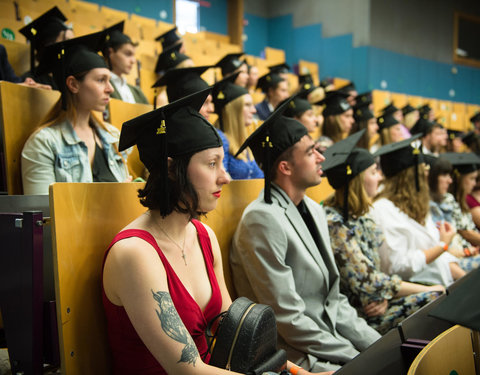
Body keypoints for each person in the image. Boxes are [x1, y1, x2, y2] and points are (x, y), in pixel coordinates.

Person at [102, 89, 331, 375]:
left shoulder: (202, 236)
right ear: (172, 169)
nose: (226, 176)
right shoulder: (134, 254)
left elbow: (233, 330)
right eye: (212, 164)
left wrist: (298, 372)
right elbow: (188, 370)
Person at [230, 99, 381, 373]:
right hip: (291, 354)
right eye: (311, 152)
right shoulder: (262, 219)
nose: (322, 157)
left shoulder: (313, 207)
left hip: (326, 341)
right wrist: (356, 357)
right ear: (285, 167)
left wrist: (378, 345)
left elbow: (333, 301)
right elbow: (287, 320)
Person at [323, 132, 444, 335]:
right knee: (436, 297)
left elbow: (379, 275)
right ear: (358, 180)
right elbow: (369, 282)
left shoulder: (362, 215)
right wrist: (426, 290)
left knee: (439, 291)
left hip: (379, 301)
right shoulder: (335, 223)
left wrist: (385, 296)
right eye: (373, 172)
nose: (380, 177)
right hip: (358, 314)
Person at [21, 31, 130, 195]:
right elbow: (44, 214)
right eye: (101, 80)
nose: (110, 89)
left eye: (109, 80)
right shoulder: (43, 143)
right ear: (73, 84)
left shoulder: (113, 136)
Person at [370, 136, 465, 286]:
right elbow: (397, 267)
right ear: (409, 177)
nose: (426, 176)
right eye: (422, 172)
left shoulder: (417, 204)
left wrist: (464, 279)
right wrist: (442, 245)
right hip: (418, 289)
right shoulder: (382, 210)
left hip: (441, 283)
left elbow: (438, 259)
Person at [428, 154, 480, 272]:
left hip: (463, 252)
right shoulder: (435, 203)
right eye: (471, 178)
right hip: (451, 258)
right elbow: (465, 233)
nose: (474, 183)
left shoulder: (450, 198)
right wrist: (465, 251)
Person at [212, 77, 263, 179]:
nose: (254, 110)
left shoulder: (243, 140)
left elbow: (260, 178)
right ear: (233, 110)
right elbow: (222, 179)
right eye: (247, 105)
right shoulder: (219, 139)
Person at [19, 6, 74, 88]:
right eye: (67, 41)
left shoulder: (70, 80)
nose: (73, 47)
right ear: (49, 45)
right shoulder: (30, 82)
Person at [102, 22, 149, 104]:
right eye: (128, 54)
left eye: (133, 55)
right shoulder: (102, 89)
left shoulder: (137, 92)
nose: (133, 61)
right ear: (110, 53)